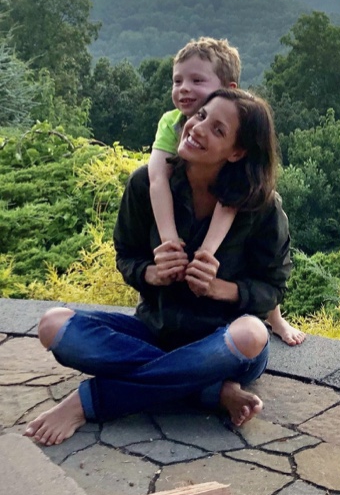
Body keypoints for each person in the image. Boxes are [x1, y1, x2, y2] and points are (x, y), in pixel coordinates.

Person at [24, 88, 292, 447]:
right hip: (155, 329)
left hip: (223, 344)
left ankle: (90, 402)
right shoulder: (145, 185)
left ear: (238, 152)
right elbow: (127, 255)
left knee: (251, 334)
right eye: (200, 117)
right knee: (53, 326)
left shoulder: (260, 207)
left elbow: (272, 287)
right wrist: (149, 273)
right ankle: (208, 390)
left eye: (218, 130)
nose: (197, 129)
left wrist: (220, 289)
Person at [148, 37, 305, 346]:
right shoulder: (172, 123)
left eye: (196, 80)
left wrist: (206, 253)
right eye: (177, 80)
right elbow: (156, 176)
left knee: (256, 250)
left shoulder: (242, 128)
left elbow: (230, 200)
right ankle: (213, 384)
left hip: (238, 197)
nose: (184, 89)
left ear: (228, 90)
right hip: (177, 317)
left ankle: (275, 318)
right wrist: (169, 240)